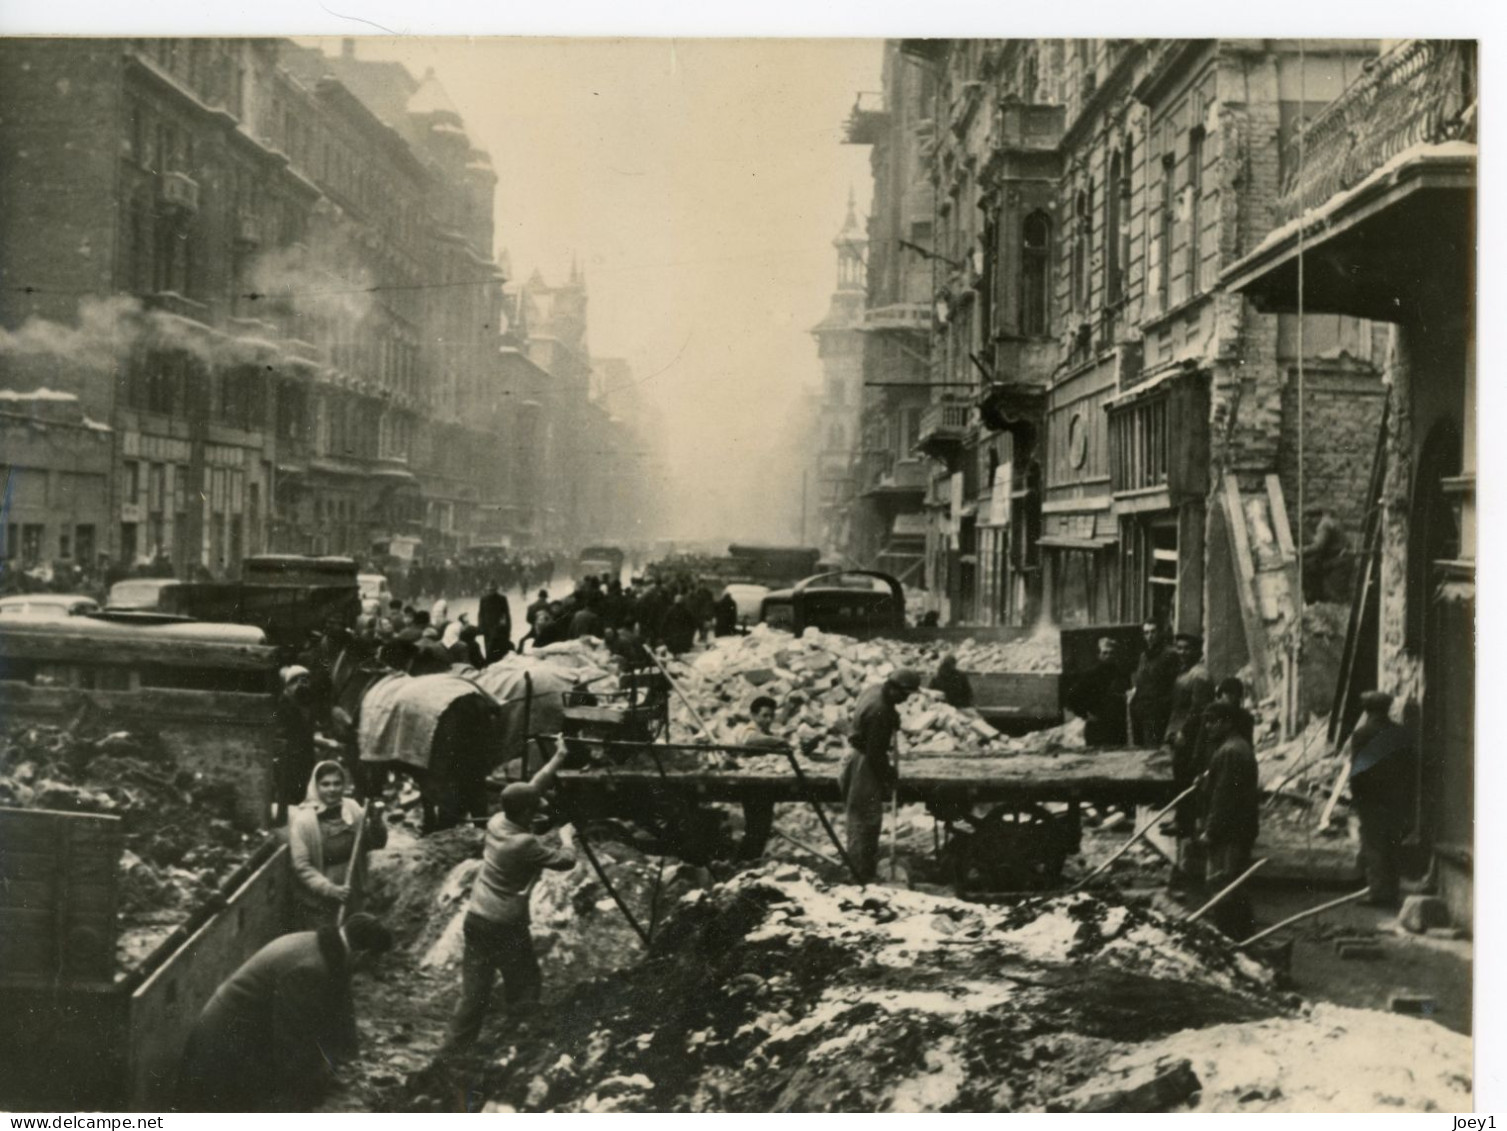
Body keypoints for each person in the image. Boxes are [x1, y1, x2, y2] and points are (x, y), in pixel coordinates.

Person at [176, 913, 393, 1112]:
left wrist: (343, 1060)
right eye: (376, 960)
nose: (376, 967)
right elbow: (292, 1040)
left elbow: (339, 1007)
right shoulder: (310, 968)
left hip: (245, 1038)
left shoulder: (327, 947)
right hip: (223, 1052)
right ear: (363, 955)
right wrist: (319, 1078)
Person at [442, 745, 576, 1054]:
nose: (541, 808)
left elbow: (531, 789)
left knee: (474, 993)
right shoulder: (522, 843)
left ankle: (452, 1052)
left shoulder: (497, 821)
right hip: (505, 924)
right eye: (536, 808)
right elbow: (565, 861)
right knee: (526, 983)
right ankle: (518, 1046)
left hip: (477, 917)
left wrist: (559, 756)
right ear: (526, 814)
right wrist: (568, 836)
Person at [840, 668, 922, 882]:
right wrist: (889, 776)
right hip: (865, 765)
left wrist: (893, 715)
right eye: (904, 695)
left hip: (854, 755)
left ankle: (860, 871)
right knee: (865, 821)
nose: (905, 700)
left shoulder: (875, 690)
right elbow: (876, 756)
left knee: (858, 818)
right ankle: (860, 876)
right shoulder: (881, 711)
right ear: (895, 689)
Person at [288, 760, 388, 932]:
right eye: (325, 784)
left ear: (344, 785)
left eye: (337, 783)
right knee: (327, 943)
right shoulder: (304, 821)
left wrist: (377, 821)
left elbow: (375, 843)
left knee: (352, 940)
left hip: (353, 892)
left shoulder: (353, 809)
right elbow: (302, 867)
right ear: (315, 786)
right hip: (320, 899)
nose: (332, 789)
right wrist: (331, 890)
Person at [1197, 701, 1260, 939]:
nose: (1209, 726)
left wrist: (1210, 831)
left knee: (1222, 885)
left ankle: (1228, 938)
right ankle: (1244, 937)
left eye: (1213, 721)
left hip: (1229, 831)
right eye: (1207, 721)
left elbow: (1224, 797)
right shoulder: (1237, 747)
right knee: (1235, 883)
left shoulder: (1230, 752)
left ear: (1228, 722)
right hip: (1240, 827)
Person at [1347, 690, 1414, 909]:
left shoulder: (1362, 734)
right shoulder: (1400, 733)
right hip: (1395, 799)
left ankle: (1378, 894)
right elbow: (1408, 770)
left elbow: (1357, 771)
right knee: (1392, 844)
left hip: (1371, 800)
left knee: (1374, 846)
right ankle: (1392, 892)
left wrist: (1356, 797)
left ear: (1367, 710)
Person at [733, 695, 786, 860]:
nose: (768, 720)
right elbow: (750, 741)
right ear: (754, 716)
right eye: (764, 716)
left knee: (762, 827)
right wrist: (778, 741)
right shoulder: (748, 730)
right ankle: (745, 861)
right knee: (756, 827)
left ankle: (750, 861)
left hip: (763, 784)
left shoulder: (766, 733)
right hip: (751, 784)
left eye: (771, 716)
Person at [1067, 637, 1130, 747]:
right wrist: (1085, 714)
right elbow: (1071, 697)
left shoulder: (1121, 675)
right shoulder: (1091, 675)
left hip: (1117, 730)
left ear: (1115, 655)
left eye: (1111, 653)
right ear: (1099, 655)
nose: (1108, 656)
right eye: (1105, 653)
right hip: (1097, 730)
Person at [274, 666, 317, 826]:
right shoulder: (280, 706)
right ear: (287, 686)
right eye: (296, 681)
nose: (302, 684)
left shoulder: (307, 706)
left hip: (304, 759)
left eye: (306, 680)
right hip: (287, 761)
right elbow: (278, 732)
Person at [1128, 620, 1179, 746]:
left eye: (1153, 632)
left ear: (1160, 633)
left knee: (1153, 750)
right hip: (1140, 710)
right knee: (1139, 750)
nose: (1149, 636)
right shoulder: (1144, 656)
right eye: (1146, 633)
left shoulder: (1170, 654)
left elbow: (1173, 684)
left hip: (1157, 712)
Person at [1301, 504, 1348, 603]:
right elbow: (1317, 540)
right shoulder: (1329, 521)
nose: (1308, 522)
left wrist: (1299, 551)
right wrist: (1307, 529)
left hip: (1337, 559)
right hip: (1339, 558)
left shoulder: (1324, 525)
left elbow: (1318, 546)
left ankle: (1313, 599)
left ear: (1315, 517)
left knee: (1334, 593)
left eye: (1309, 519)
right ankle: (1315, 599)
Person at [478, 580, 513, 664]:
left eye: (492, 590)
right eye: (489, 590)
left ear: (496, 590)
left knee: (499, 651)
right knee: (489, 650)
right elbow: (481, 614)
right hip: (487, 629)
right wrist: (481, 627)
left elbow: (507, 615)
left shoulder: (502, 599)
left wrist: (508, 628)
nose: (490, 591)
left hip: (499, 630)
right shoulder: (483, 599)